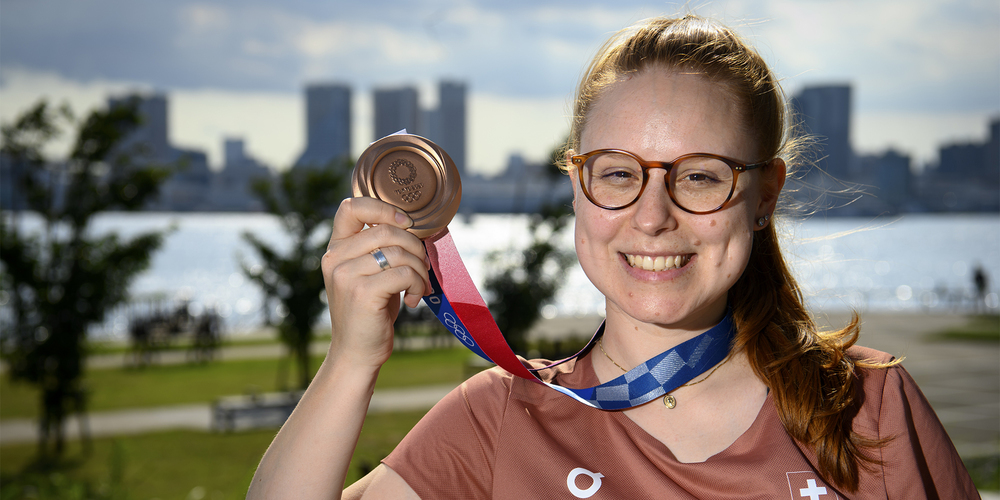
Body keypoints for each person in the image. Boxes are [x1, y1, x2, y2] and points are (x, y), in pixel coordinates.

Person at [247, 15, 978, 499]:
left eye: (699, 176)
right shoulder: (502, 420)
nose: (653, 218)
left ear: (764, 194)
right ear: (577, 188)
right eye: (619, 173)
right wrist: (351, 361)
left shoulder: (865, 405)